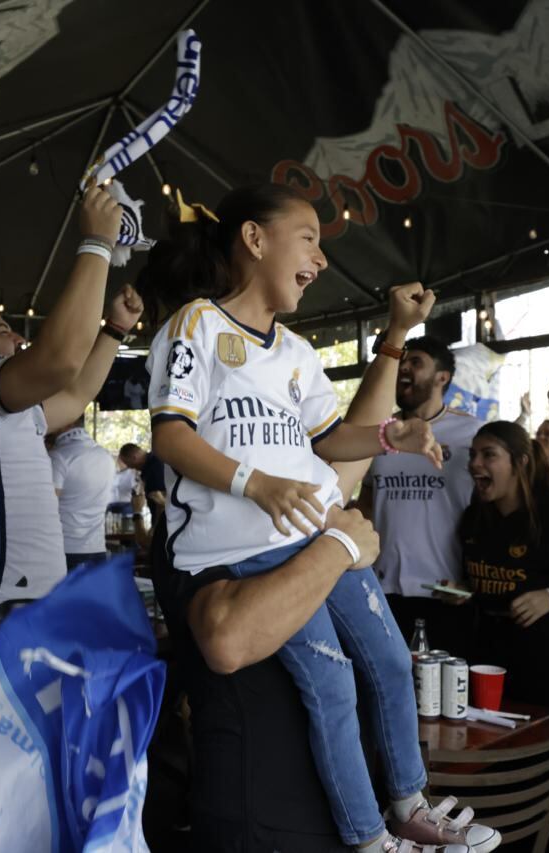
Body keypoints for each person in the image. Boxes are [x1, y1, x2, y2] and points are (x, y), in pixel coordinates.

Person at [143, 184, 498, 853]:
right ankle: (370, 838)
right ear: (254, 238)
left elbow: (332, 438)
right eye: (308, 237)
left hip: (317, 534)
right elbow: (170, 435)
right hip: (249, 554)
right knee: (332, 682)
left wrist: (394, 435)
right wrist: (257, 483)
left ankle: (409, 801)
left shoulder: (297, 353)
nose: (322, 259)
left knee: (391, 661)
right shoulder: (196, 325)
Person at [0, 184, 141, 677]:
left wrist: (114, 330)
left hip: (14, 614)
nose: (18, 337)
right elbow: (59, 360)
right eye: (3, 330)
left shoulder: (3, 410)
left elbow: (76, 393)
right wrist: (97, 244)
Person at [441, 422, 549, 713]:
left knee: (538, 740)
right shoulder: (475, 518)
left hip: (542, 664)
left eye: (488, 455)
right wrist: (461, 591)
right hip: (482, 657)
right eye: (473, 455)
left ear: (520, 462)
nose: (474, 464)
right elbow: (483, 583)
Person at [356, 334, 481, 659]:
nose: (403, 368)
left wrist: (476, 581)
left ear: (443, 377)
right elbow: (366, 504)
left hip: (447, 593)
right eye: (401, 361)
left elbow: (491, 510)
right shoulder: (379, 434)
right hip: (382, 592)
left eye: (416, 362)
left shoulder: (471, 434)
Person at [49, 415, 116, 569]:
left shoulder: (59, 457)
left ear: (68, 422)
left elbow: (46, 508)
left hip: (65, 550)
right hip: (97, 548)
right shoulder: (105, 456)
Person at [119, 443, 167, 515]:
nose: (128, 467)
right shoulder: (147, 468)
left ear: (134, 458)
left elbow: (159, 500)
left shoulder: (156, 466)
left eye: (127, 463)